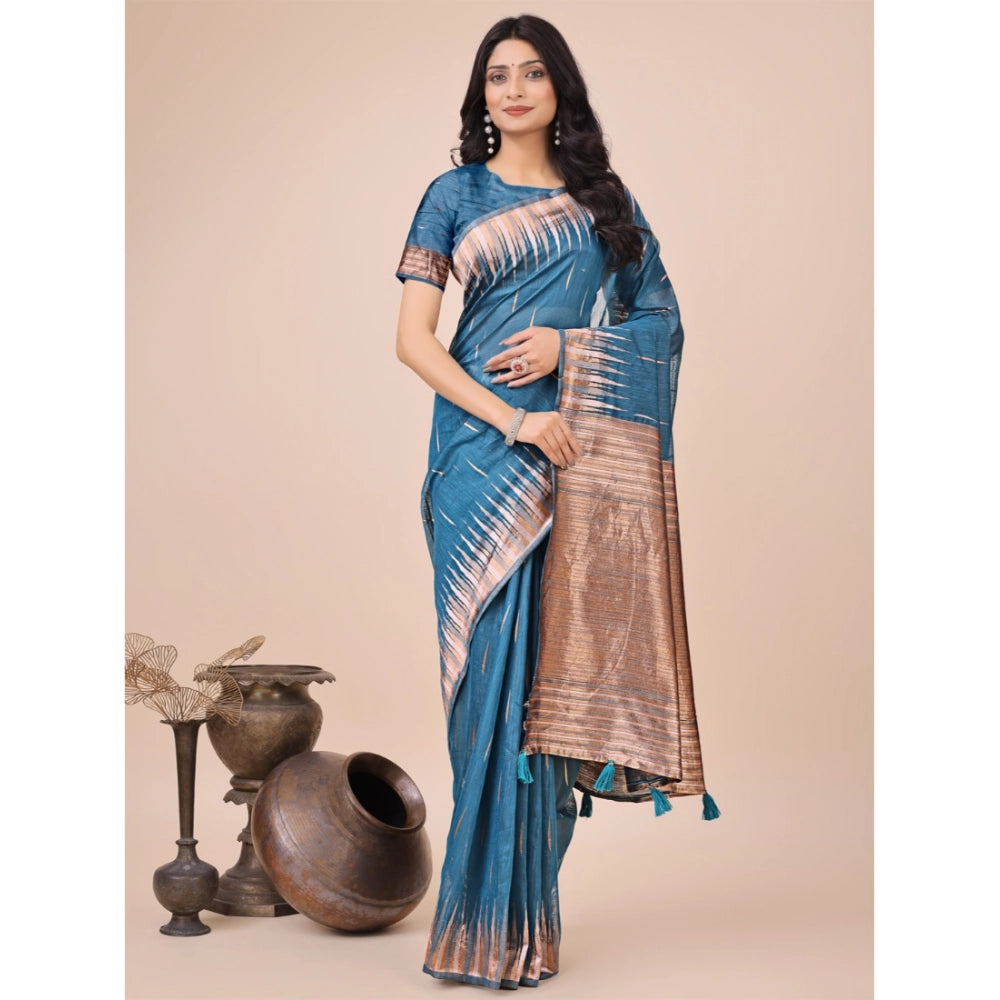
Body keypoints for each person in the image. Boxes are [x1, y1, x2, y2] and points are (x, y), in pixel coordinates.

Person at [394, 14, 720, 990]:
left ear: (559, 88)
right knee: (482, 697)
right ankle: (474, 927)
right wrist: (514, 417)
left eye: (532, 73)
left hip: (574, 460)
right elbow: (412, 341)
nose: (514, 89)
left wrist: (570, 350)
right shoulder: (453, 195)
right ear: (481, 96)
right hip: (477, 462)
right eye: (498, 75)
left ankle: (522, 926)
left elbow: (661, 320)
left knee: (547, 694)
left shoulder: (602, 201)